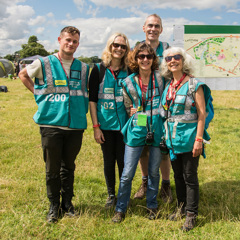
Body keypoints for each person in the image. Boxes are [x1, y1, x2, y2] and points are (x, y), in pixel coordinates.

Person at [18, 26, 89, 223]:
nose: (71, 44)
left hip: (75, 125)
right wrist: (37, 93)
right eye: (68, 40)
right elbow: (23, 75)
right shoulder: (44, 63)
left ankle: (67, 203)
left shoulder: (84, 68)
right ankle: (53, 205)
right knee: (52, 168)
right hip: (51, 124)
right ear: (59, 40)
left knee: (69, 167)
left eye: (74, 41)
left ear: (78, 43)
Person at [159, 47, 211, 231]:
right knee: (178, 176)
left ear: (183, 60)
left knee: (190, 177)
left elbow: (202, 114)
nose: (172, 61)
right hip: (173, 141)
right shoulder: (168, 86)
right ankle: (181, 209)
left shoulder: (194, 85)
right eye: (168, 58)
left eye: (176, 57)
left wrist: (199, 140)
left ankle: (191, 215)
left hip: (189, 140)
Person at [112, 42, 164, 223]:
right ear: (136, 59)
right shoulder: (127, 82)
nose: (145, 59)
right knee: (127, 173)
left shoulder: (160, 77)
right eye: (141, 56)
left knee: (154, 172)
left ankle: (152, 205)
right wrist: (131, 111)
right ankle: (120, 208)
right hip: (137, 128)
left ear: (153, 59)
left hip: (157, 128)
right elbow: (127, 106)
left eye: (148, 56)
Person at [133, 13, 172, 203]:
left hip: (163, 108)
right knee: (143, 148)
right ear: (143, 28)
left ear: (161, 30)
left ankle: (165, 185)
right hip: (141, 110)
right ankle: (145, 182)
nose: (153, 29)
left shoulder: (168, 50)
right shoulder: (136, 48)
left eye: (157, 26)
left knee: (163, 147)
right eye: (150, 25)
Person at [89, 33, 130, 209]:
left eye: (123, 46)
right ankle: (111, 195)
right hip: (105, 126)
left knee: (123, 162)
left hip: (125, 126)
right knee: (108, 161)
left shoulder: (130, 70)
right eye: (116, 45)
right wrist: (96, 127)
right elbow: (92, 101)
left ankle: (123, 195)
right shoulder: (98, 70)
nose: (119, 49)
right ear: (110, 46)